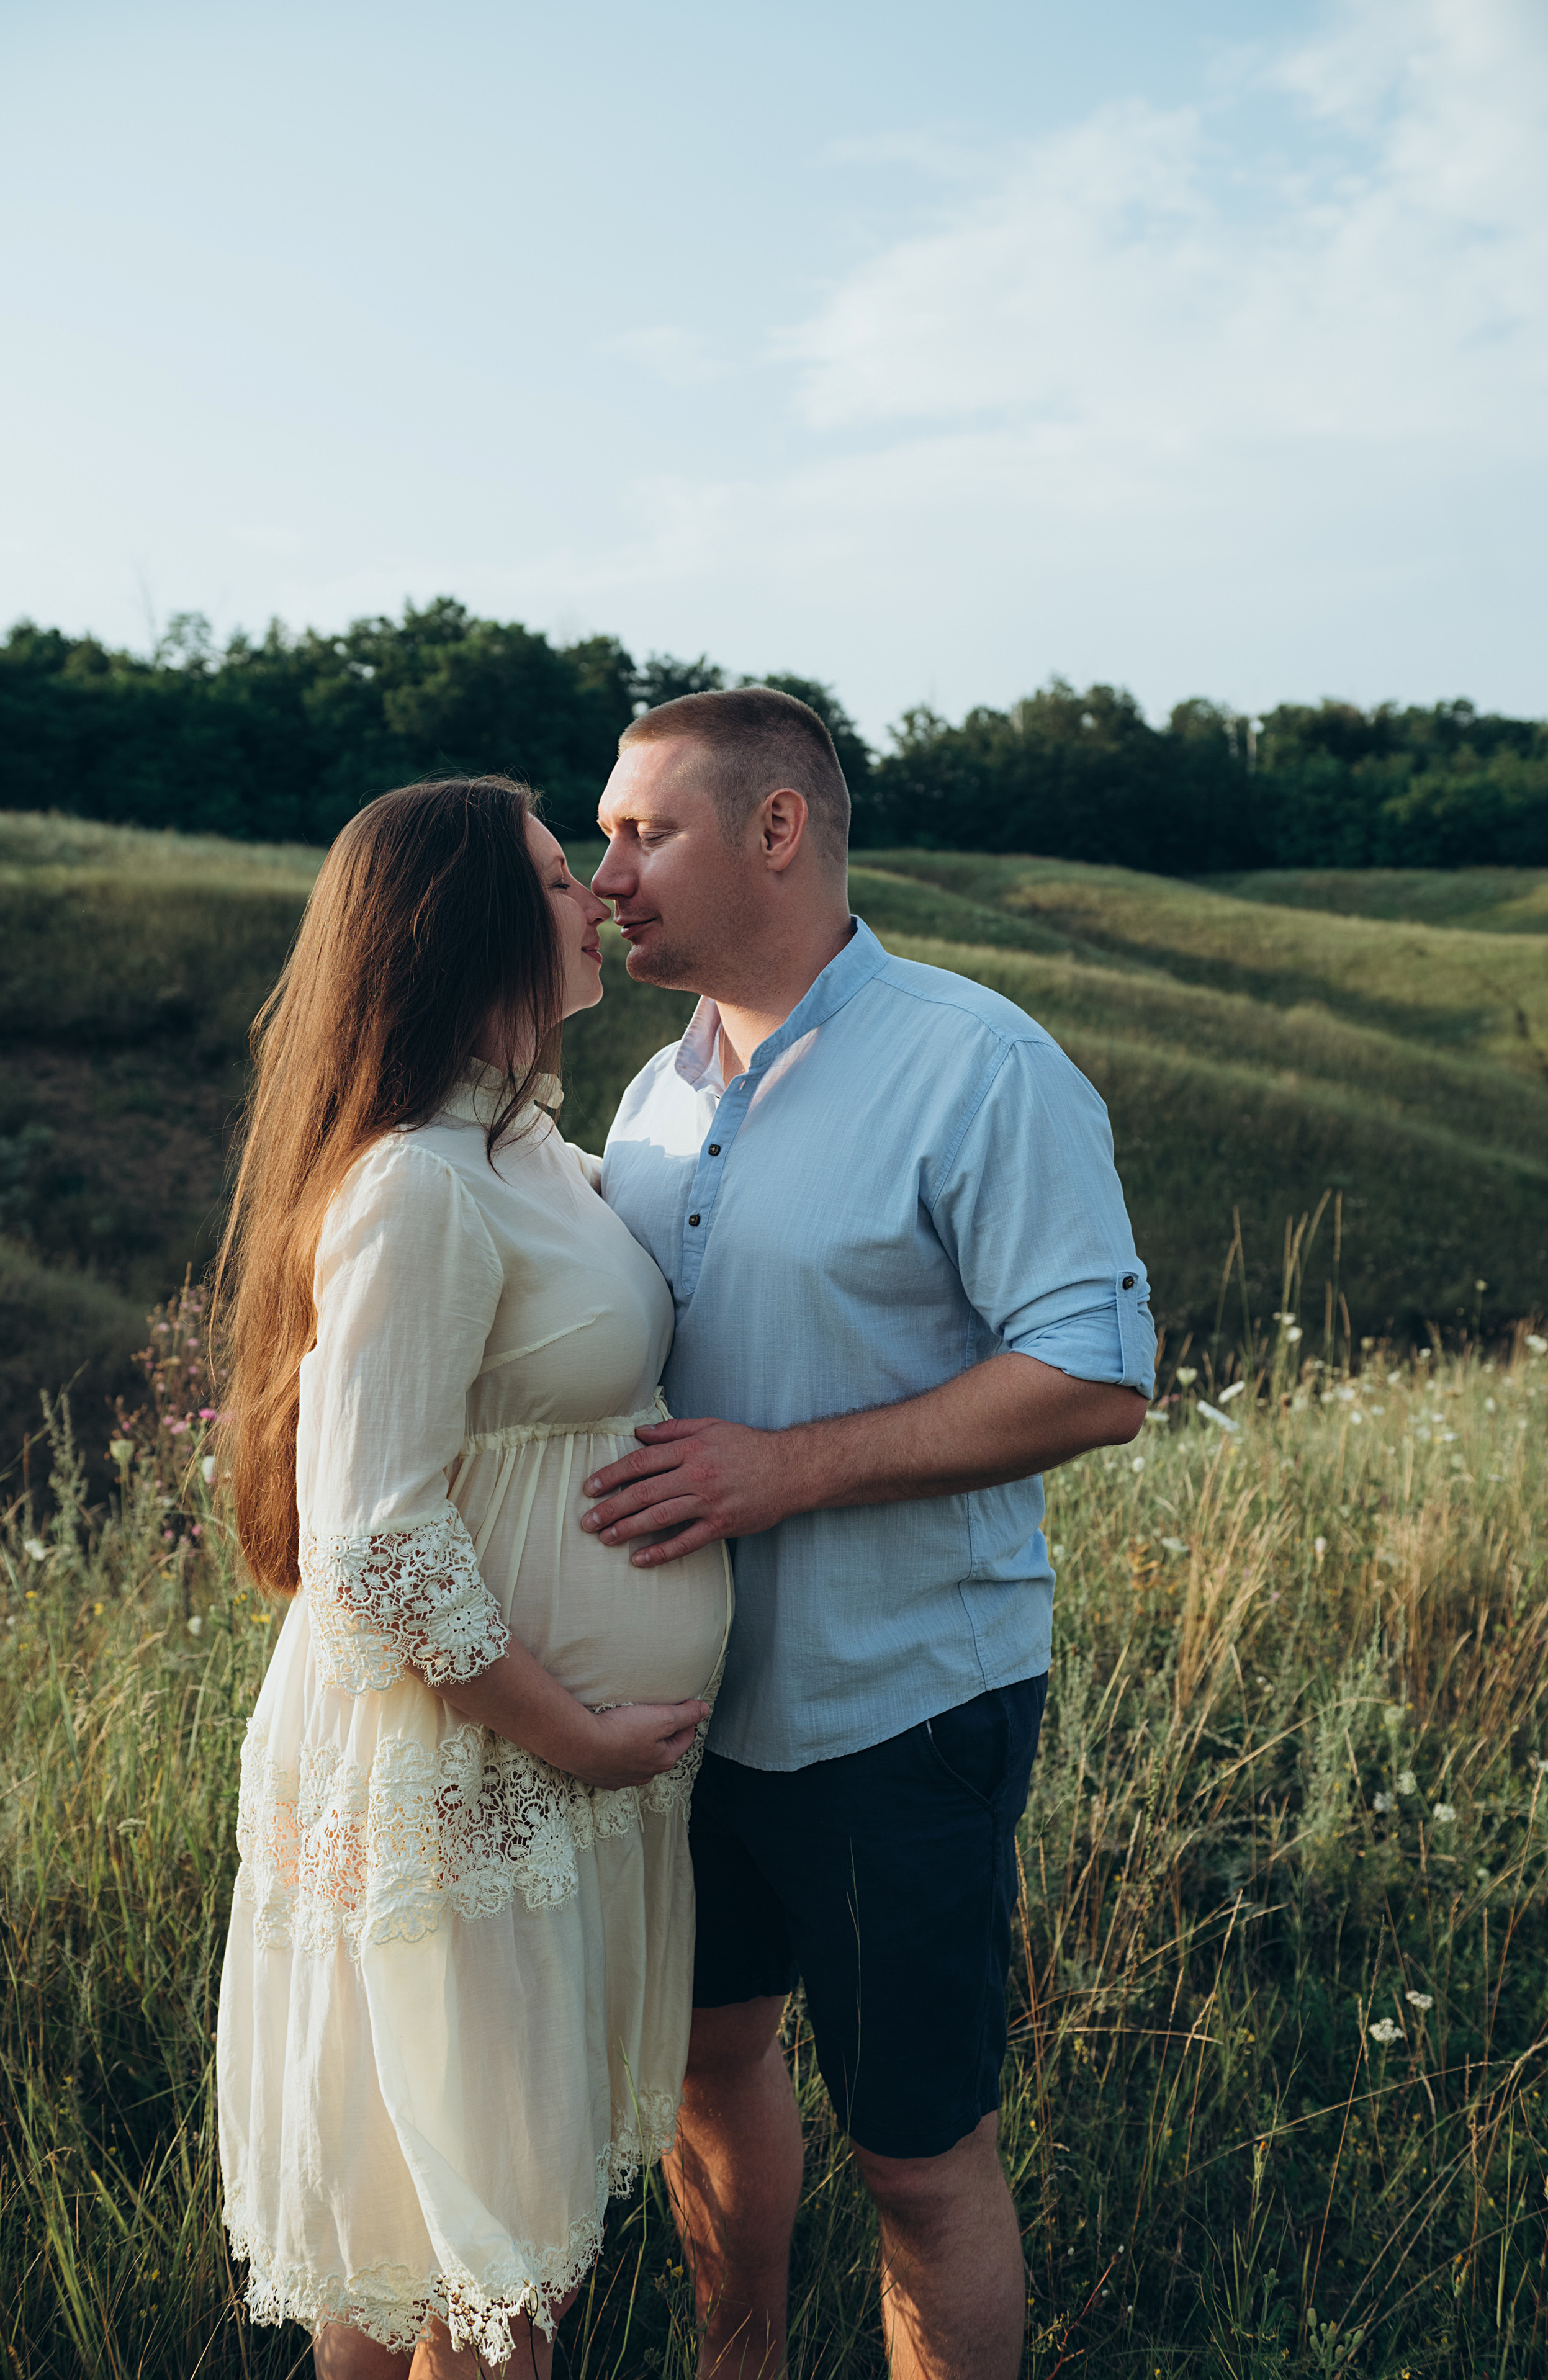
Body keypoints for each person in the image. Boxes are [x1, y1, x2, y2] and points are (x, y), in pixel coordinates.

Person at [583, 688, 1154, 2380]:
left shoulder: (978, 1063)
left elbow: (1094, 1375)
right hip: (680, 1718)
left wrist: (783, 1471)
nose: (610, 872)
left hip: (895, 1707)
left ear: (777, 830)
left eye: (644, 831)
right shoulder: (648, 1100)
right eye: (603, 838)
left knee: (917, 2151)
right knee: (711, 2074)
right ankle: (737, 2364)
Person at [213, 776, 732, 2379]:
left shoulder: (531, 1153)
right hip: (470, 1764)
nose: (599, 897)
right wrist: (568, 1730)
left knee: (438, 2242)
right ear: (472, 924)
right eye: (561, 875)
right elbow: (372, 1530)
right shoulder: (423, 1179)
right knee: (486, 2269)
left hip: (529, 1776)